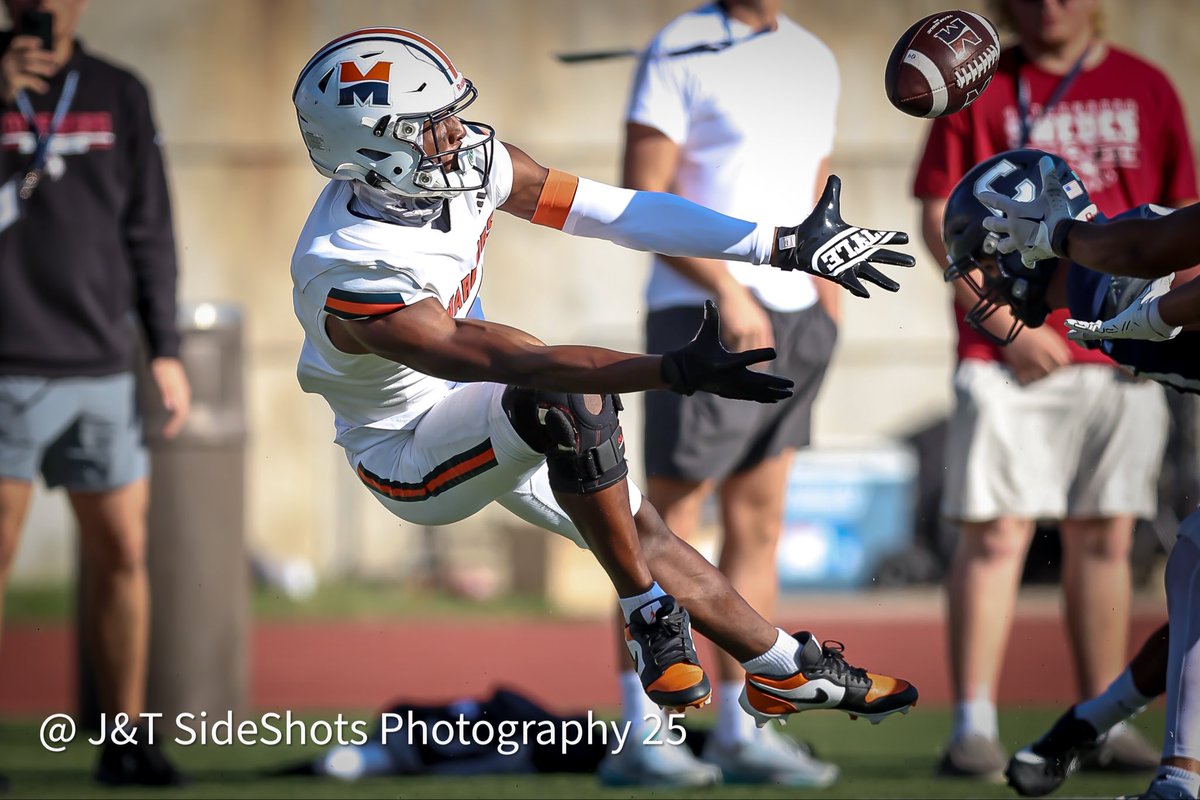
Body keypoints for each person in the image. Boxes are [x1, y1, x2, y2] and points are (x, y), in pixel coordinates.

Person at [290, 23, 918, 758]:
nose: (457, 133)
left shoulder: (469, 166)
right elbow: (526, 366)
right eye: (430, 126)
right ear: (370, 148)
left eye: (452, 112)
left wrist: (778, 245)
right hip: (409, 455)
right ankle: (648, 613)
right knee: (567, 404)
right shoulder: (348, 270)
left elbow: (608, 209)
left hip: (491, 406)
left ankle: (783, 667)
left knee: (642, 529)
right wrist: (670, 370)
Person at [911, 0, 1196, 779]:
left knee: (1107, 537)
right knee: (995, 533)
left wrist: (1150, 319)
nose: (1051, 4)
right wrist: (1012, 325)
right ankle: (972, 723)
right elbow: (943, 221)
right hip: (1012, 346)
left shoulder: (1149, 86)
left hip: (1131, 343)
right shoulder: (975, 85)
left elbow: (1178, 224)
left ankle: (1104, 721)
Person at [601, 0, 842, 788]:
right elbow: (643, 198)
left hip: (800, 317)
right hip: (703, 314)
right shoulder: (680, 46)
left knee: (760, 521)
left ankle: (743, 729)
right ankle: (646, 733)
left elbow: (813, 197)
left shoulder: (814, 57)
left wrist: (825, 302)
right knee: (659, 527)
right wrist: (729, 292)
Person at [946, 154, 1200, 800]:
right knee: (1194, 566)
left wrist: (1166, 305)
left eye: (985, 257)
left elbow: (1145, 247)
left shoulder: (1114, 264)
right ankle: (1111, 732)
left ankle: (1175, 779)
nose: (984, 283)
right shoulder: (1097, 295)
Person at [0, 0, 189, 787]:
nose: (43, 5)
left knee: (122, 554)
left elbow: (150, 226)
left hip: (103, 365)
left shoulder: (119, 89)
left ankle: (126, 739)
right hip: (5, 362)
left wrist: (165, 348)